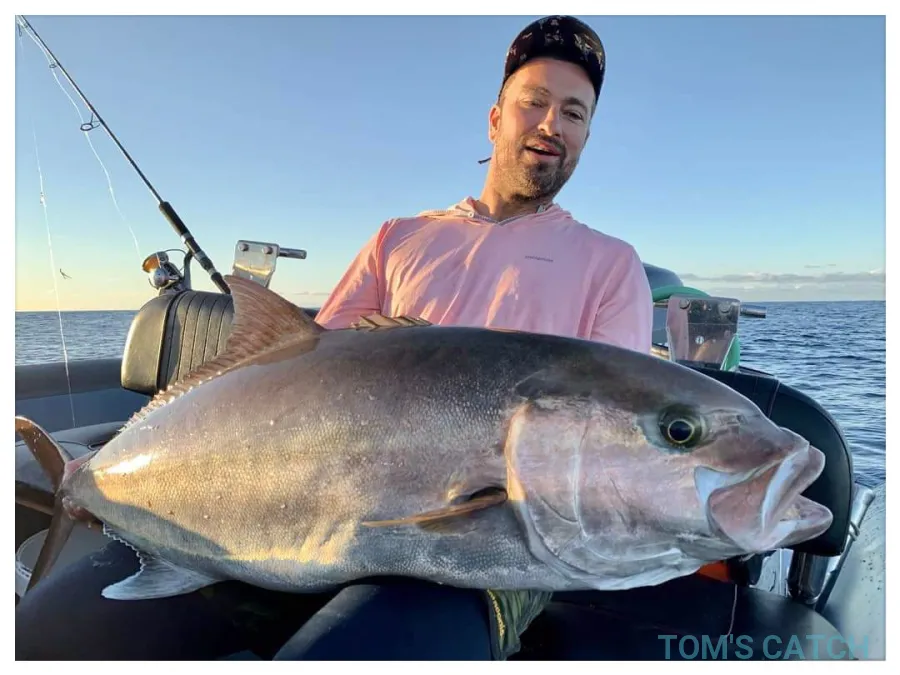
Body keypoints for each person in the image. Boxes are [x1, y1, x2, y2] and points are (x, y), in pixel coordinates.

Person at [15, 15, 653, 662]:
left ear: (586, 135)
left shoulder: (610, 265)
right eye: (534, 102)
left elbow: (615, 452)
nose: (551, 124)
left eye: (574, 113)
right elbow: (301, 363)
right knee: (50, 632)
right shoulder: (399, 238)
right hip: (301, 508)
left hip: (480, 552)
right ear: (496, 119)